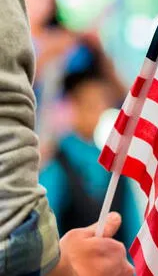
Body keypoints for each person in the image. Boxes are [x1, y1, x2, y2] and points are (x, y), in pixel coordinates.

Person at [0, 0, 133, 275]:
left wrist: (95, 48)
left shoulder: (73, 47)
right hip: (31, 177)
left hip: (71, 162)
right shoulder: (47, 44)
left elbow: (124, 97)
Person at [39, 48, 141, 253]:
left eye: (100, 104)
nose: (96, 112)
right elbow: (44, 232)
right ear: (73, 106)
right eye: (89, 105)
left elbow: (133, 232)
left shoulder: (112, 164)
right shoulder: (57, 162)